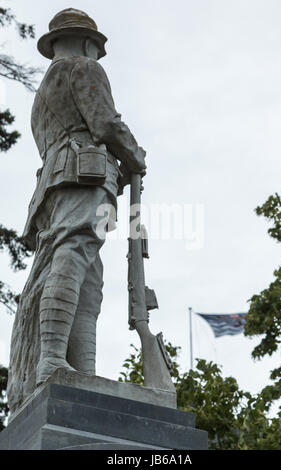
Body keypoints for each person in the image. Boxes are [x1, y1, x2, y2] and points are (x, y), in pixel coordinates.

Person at [7, 8, 146, 409]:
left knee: (87, 275)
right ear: (89, 43)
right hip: (82, 178)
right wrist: (135, 155)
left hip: (54, 186)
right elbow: (104, 124)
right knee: (73, 257)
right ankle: (52, 360)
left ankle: (80, 370)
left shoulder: (41, 97)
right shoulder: (84, 69)